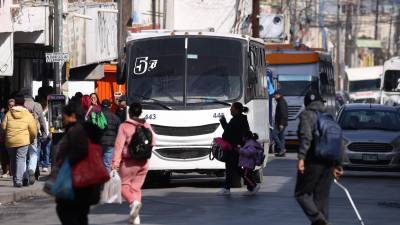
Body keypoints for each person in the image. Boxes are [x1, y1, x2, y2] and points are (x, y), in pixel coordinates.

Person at [295, 90, 343, 225]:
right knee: (321, 198)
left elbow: (306, 137)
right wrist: (338, 165)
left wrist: (301, 158)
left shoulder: (307, 115)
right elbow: (339, 141)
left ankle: (319, 221)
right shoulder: (329, 117)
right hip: (329, 163)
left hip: (313, 161)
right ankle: (323, 221)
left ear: (306, 103)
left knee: (301, 194)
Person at [55, 102, 102, 225]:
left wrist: (65, 164)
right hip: (86, 181)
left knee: (66, 212)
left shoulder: (77, 130)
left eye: (64, 115)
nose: (62, 118)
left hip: (76, 180)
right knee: (81, 215)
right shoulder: (87, 128)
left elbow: (80, 150)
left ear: (72, 116)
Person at [112, 103, 156, 224]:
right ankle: (135, 217)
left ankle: (133, 203)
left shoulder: (124, 126)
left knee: (123, 186)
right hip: (144, 162)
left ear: (129, 112)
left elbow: (118, 145)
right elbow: (154, 141)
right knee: (136, 188)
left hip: (129, 163)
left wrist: (115, 162)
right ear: (140, 112)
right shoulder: (146, 125)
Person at [1, 94, 37, 187]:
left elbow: (3, 127)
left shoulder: (8, 113)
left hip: (10, 140)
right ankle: (18, 180)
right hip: (23, 140)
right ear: (23, 103)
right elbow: (33, 129)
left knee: (12, 160)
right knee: (20, 159)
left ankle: (15, 179)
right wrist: (32, 138)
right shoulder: (27, 114)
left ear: (15, 103)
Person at [217, 102, 250, 196]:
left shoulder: (238, 120)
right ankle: (227, 188)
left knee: (234, 168)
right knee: (233, 168)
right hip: (232, 147)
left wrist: (239, 145)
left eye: (232, 108)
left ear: (237, 109)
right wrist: (223, 121)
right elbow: (228, 130)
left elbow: (234, 133)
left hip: (234, 148)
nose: (230, 109)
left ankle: (252, 186)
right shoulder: (236, 119)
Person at [20, 87, 48, 184]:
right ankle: (31, 169)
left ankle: (24, 175)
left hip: (21, 133)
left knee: (22, 155)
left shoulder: (19, 104)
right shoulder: (37, 105)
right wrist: (44, 133)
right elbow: (42, 122)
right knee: (33, 153)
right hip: (33, 133)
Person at [239, 131, 263, 195]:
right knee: (248, 175)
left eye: (243, 136)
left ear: (246, 137)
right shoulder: (249, 142)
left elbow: (250, 152)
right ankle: (250, 189)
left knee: (246, 175)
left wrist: (240, 150)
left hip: (249, 163)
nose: (242, 138)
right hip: (248, 163)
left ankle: (254, 186)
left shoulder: (251, 143)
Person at [100, 99, 121, 171]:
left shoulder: (96, 116)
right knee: (107, 163)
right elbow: (119, 132)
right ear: (110, 106)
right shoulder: (115, 117)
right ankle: (106, 180)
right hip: (111, 143)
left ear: (101, 106)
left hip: (99, 142)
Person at [0, 99, 15, 178]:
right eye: (10, 105)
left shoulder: (17, 114)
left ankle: (11, 171)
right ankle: (5, 171)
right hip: (4, 137)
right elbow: (2, 126)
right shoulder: (4, 114)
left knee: (11, 156)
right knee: (4, 155)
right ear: (8, 106)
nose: (11, 107)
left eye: (13, 105)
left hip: (12, 137)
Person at [272, 90, 288, 157]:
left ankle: (282, 149)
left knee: (274, 134)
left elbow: (283, 113)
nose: (274, 97)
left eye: (275, 95)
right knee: (281, 137)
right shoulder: (281, 101)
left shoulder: (281, 102)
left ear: (279, 95)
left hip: (281, 123)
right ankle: (282, 152)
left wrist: (281, 123)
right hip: (282, 123)